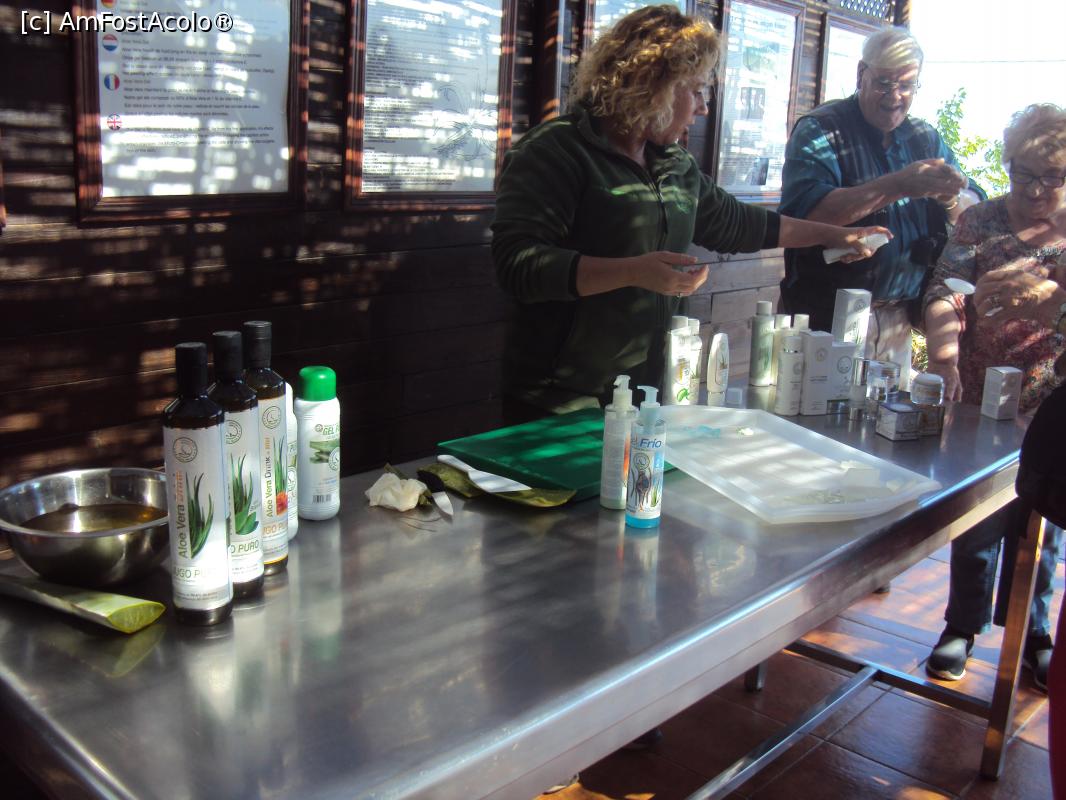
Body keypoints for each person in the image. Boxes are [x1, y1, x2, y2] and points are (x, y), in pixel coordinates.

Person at [491, 5, 888, 424]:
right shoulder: (554, 151)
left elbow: (739, 223)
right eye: (696, 91)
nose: (702, 107)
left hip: (647, 394)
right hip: (559, 402)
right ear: (654, 86)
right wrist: (633, 271)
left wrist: (832, 235)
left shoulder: (673, 163)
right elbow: (517, 265)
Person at [921, 104, 1066, 689]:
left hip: (1053, 402)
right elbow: (944, 291)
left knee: (1045, 524)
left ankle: (1034, 632)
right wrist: (944, 357)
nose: (1035, 190)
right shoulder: (979, 221)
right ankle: (961, 624)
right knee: (978, 517)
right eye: (1022, 174)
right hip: (980, 394)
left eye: (1052, 177)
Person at [778, 26, 984, 389]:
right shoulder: (821, 129)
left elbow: (974, 208)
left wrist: (951, 198)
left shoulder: (924, 137)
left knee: (883, 421)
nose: (895, 97)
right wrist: (898, 185)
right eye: (884, 83)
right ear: (861, 74)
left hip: (899, 321)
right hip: (825, 319)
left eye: (907, 85)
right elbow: (806, 215)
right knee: (816, 416)